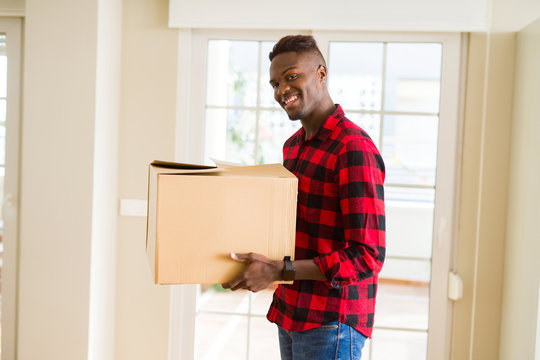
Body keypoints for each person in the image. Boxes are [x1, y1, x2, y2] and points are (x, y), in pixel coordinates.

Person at [222, 35, 386, 360]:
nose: (282, 90)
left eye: (292, 76)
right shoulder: (293, 146)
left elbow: (368, 256)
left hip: (332, 320)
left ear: (321, 74)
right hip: (292, 310)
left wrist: (280, 271)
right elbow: (293, 227)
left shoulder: (353, 148)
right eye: (275, 83)